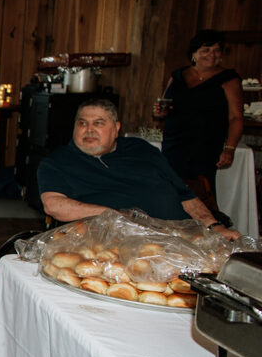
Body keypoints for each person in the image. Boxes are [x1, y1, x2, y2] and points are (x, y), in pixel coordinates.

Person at [38, 99, 239, 240]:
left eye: (98, 123)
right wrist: (112, 215)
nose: (89, 130)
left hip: (183, 237)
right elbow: (54, 205)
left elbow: (185, 196)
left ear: (116, 128)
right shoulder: (58, 161)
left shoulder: (141, 149)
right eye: (82, 123)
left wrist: (214, 226)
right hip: (122, 245)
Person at [154, 29, 244, 220]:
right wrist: (160, 112)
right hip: (174, 143)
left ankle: (210, 231)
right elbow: (166, 106)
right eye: (206, 50)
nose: (212, 54)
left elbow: (236, 117)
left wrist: (229, 148)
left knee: (203, 192)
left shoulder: (228, 79)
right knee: (171, 188)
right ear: (194, 53)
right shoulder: (178, 76)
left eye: (217, 50)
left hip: (205, 146)